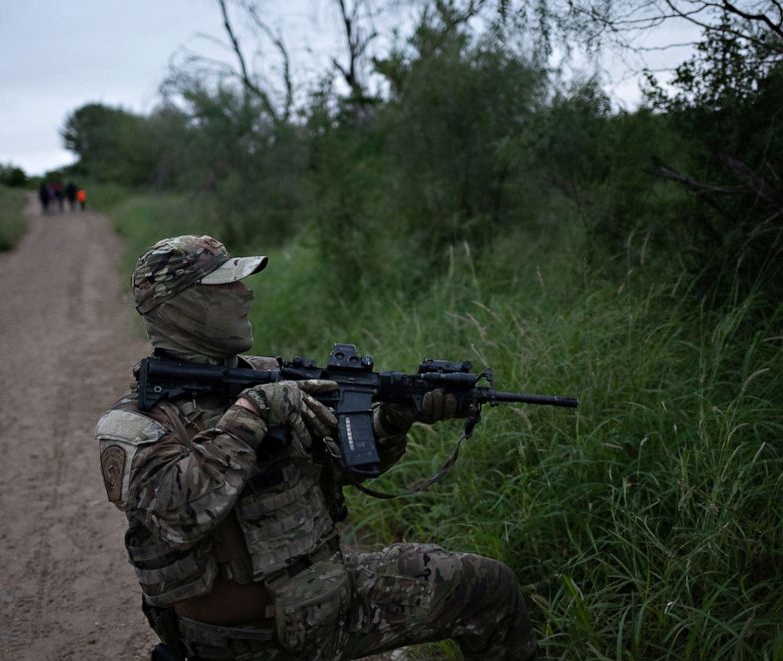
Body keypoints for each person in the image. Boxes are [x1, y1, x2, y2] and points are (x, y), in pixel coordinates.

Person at [96, 235, 539, 661]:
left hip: (326, 600)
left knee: (486, 584)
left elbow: (346, 461)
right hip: (247, 643)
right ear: (183, 307)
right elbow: (178, 516)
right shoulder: (134, 422)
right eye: (228, 283)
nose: (246, 294)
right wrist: (253, 412)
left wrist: (392, 419)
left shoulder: (268, 375)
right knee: (483, 588)